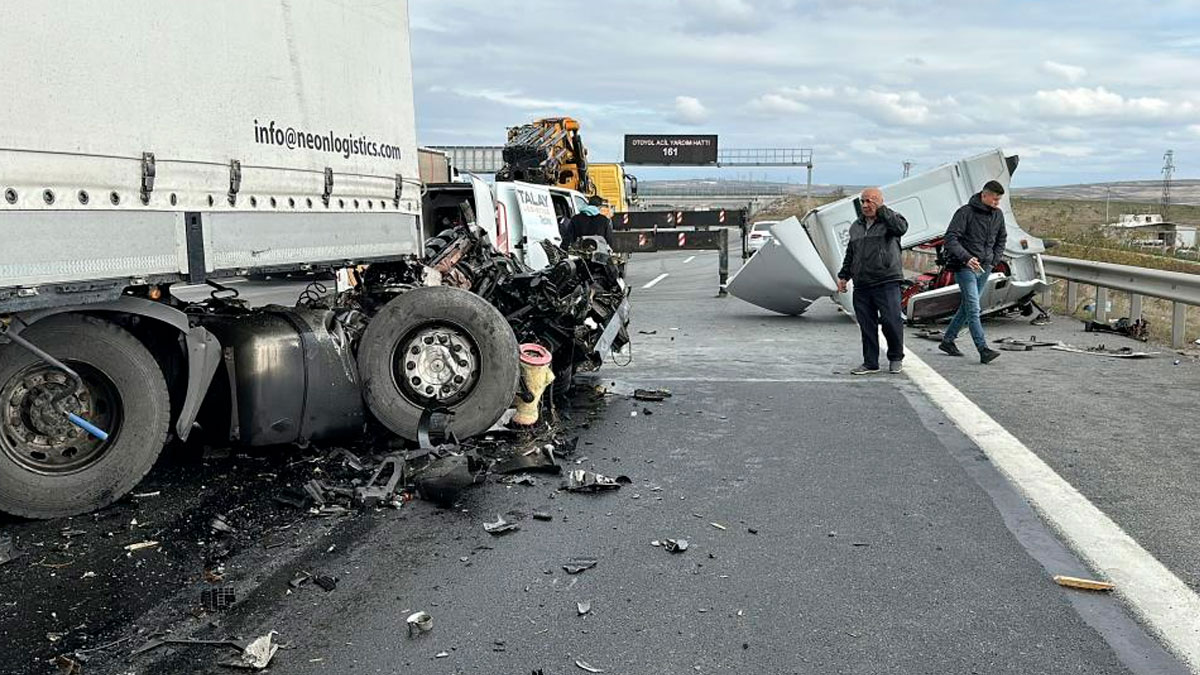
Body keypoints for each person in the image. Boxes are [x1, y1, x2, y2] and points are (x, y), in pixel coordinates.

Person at [837, 187, 909, 375]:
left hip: (886, 281)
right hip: (862, 284)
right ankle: (870, 363)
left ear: (880, 202)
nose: (866, 205)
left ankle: (895, 357)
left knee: (891, 322)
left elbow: (902, 228)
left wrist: (883, 210)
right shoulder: (856, 226)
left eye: (870, 201)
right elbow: (851, 254)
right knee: (867, 326)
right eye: (863, 201)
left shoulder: (890, 221)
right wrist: (844, 276)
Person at [938, 180, 1007, 364]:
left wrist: (994, 259)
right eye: (994, 199)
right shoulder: (965, 213)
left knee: (968, 306)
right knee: (974, 308)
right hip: (964, 267)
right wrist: (967, 258)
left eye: (999, 200)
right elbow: (951, 238)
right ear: (984, 195)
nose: (997, 203)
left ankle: (947, 340)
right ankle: (983, 349)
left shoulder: (998, 215)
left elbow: (1002, 238)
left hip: (986, 266)